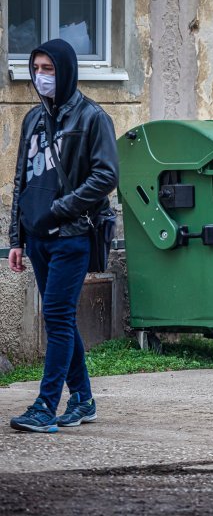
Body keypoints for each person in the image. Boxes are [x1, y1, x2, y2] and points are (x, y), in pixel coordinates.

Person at [8, 39, 119, 432]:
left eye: (49, 69)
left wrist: (61, 207)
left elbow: (106, 175)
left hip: (72, 233)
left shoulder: (92, 118)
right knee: (60, 320)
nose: (41, 76)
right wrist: (16, 239)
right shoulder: (33, 120)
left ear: (67, 71)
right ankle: (84, 399)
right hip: (37, 237)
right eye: (36, 68)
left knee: (56, 315)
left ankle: (45, 405)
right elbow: (22, 179)